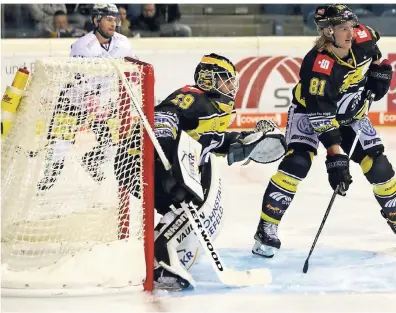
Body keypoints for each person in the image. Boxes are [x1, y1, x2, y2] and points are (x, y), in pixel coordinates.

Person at [251, 4, 396, 259]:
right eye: (343, 29)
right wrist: (335, 156)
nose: (350, 33)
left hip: (351, 112)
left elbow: (374, 50)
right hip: (309, 112)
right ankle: (267, 228)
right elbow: (321, 115)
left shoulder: (362, 35)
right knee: (297, 163)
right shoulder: (318, 65)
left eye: (351, 26)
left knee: (379, 166)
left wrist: (381, 69)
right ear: (328, 32)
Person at [115, 53, 286, 290]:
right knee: (186, 206)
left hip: (153, 163)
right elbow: (164, 116)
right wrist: (167, 158)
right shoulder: (194, 97)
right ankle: (163, 264)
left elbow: (211, 141)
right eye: (226, 80)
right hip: (138, 161)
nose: (231, 86)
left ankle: (160, 259)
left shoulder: (215, 109)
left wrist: (242, 141)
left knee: (183, 211)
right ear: (208, 80)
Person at [37, 4, 135, 191]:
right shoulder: (82, 45)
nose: (113, 23)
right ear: (96, 20)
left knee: (112, 148)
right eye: (108, 19)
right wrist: (99, 107)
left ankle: (91, 160)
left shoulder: (123, 43)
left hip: (102, 103)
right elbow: (81, 82)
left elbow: (134, 69)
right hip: (73, 102)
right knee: (59, 149)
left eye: (115, 19)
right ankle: (45, 186)